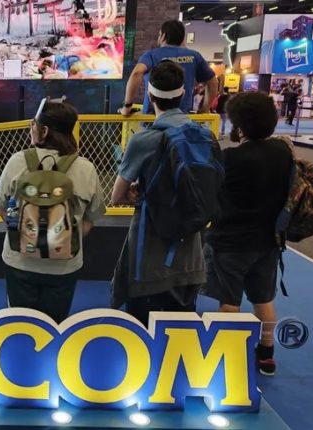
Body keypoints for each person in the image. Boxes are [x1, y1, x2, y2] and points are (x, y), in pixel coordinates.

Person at [203, 92, 293, 376]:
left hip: (230, 243)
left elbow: (211, 193)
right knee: (263, 299)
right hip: (268, 241)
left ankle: (224, 358)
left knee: (229, 302)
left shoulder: (230, 158)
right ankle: (266, 355)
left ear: (239, 125)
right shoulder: (283, 152)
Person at [0, 100, 105, 323]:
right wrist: (61, 239)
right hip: (64, 267)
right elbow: (91, 217)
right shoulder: (86, 168)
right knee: (55, 327)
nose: (31, 128)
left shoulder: (17, 161)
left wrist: (25, 235)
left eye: (33, 124)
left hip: (20, 262)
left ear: (43, 130)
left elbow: (1, 207)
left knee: (20, 324)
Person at [111, 62, 206, 325]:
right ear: (183, 93)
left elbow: (116, 196)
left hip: (149, 249)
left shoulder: (144, 139)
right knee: (181, 329)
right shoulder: (203, 135)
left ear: (150, 96)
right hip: (190, 248)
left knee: (140, 329)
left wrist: (134, 193)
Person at [121, 20, 218, 116]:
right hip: (182, 118)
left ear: (163, 36)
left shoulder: (151, 55)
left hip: (152, 118)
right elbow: (213, 82)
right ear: (182, 38)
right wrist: (205, 109)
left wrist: (127, 106)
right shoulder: (194, 56)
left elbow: (136, 73)